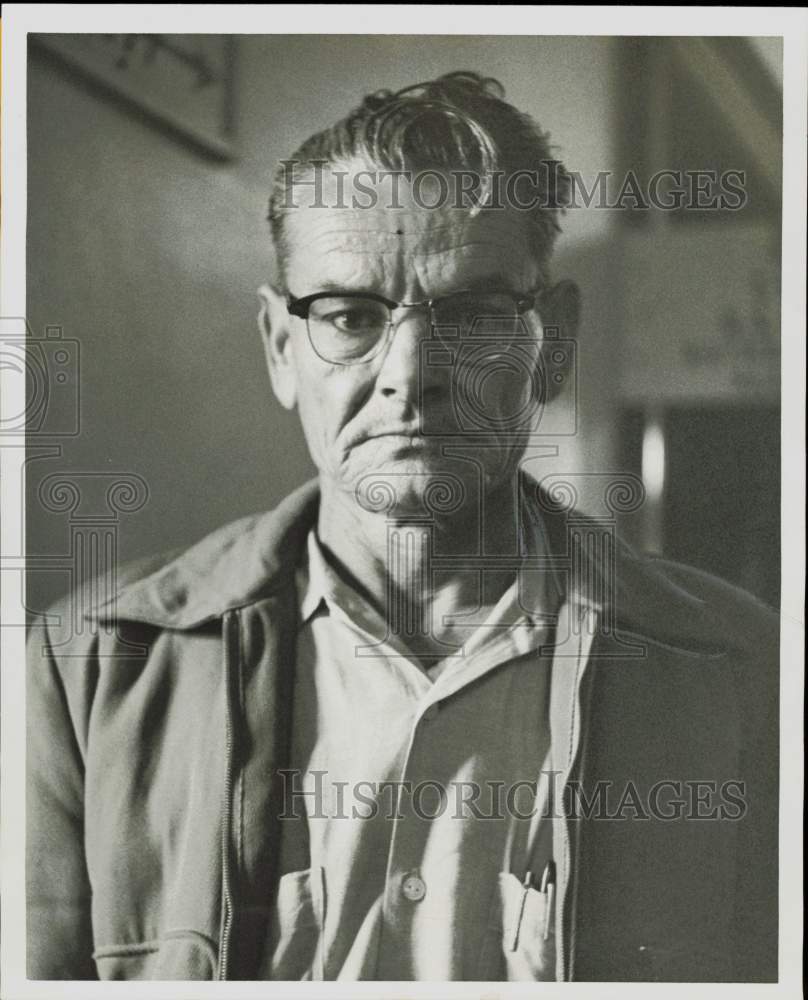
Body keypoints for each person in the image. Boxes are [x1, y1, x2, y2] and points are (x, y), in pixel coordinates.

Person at [27, 71, 778, 982]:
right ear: (279, 345)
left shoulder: (745, 669)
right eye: (349, 316)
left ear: (555, 343)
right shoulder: (89, 672)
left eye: (470, 313)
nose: (412, 373)